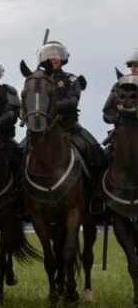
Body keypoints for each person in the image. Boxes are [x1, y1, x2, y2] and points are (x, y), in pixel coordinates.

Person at [34, 40, 107, 214]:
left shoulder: (71, 78)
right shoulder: (38, 80)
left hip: (69, 127)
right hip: (44, 130)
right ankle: (22, 198)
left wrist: (49, 106)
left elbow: (72, 101)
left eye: (56, 54)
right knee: (21, 154)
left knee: (96, 153)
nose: (53, 58)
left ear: (62, 58)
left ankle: (98, 196)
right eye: (49, 55)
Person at [102, 49, 138, 142]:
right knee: (100, 154)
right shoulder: (120, 85)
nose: (137, 69)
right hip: (124, 131)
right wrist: (120, 117)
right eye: (135, 66)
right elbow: (107, 112)